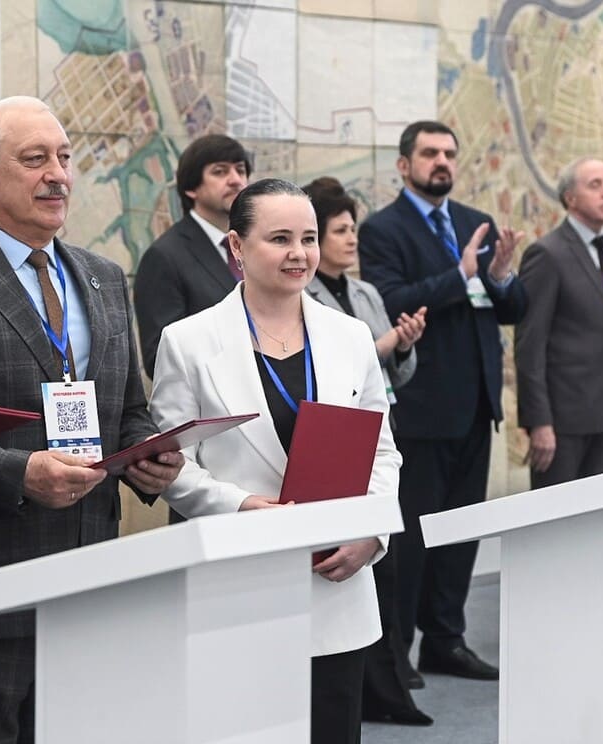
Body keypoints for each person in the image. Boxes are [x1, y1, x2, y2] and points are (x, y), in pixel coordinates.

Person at [0, 96, 184, 744]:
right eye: (34, 160)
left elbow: (127, 410)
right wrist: (19, 474)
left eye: (64, 157)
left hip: (86, 582)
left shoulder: (105, 277)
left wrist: (148, 453)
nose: (57, 175)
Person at [150, 177, 402, 743]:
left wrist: (372, 531)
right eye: (280, 238)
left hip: (334, 577)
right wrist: (239, 506)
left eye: (308, 238)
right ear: (237, 247)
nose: (299, 254)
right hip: (238, 578)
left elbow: (382, 450)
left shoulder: (351, 336)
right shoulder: (188, 341)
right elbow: (173, 464)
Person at [358, 120, 527, 684]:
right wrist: (460, 275)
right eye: (430, 153)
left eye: (450, 153)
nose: (442, 162)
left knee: (459, 534)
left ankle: (446, 640)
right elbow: (391, 302)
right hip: (422, 406)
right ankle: (398, 651)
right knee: (411, 538)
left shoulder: (475, 222)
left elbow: (512, 308)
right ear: (404, 165)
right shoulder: (383, 230)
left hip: (477, 405)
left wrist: (500, 275)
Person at [301, 177, 431, 726]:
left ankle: (391, 675)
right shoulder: (303, 297)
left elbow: (395, 374)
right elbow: (332, 371)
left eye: (353, 229)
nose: (351, 239)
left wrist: (403, 347)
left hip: (379, 433)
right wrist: (383, 346)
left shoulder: (367, 294)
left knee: (388, 566)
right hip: (329, 444)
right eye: (338, 231)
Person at [515, 157, 603, 488]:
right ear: (570, 197)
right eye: (595, 185)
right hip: (562, 423)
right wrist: (539, 422)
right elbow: (529, 344)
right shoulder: (547, 254)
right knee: (556, 517)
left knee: (601, 513)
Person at [134, 133, 251, 379]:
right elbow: (159, 357)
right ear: (190, 188)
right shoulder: (164, 256)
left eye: (240, 170)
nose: (236, 180)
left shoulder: (254, 246)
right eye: (220, 172)